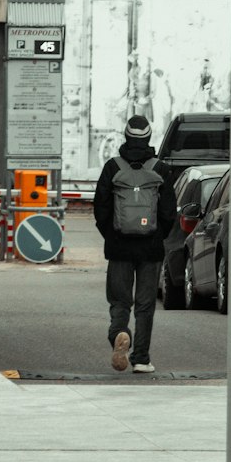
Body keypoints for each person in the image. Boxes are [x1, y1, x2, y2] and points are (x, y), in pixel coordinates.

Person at [93, 114, 176, 374]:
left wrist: (112, 235)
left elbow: (101, 208)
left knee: (120, 301)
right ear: (149, 137)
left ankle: (119, 333)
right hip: (150, 248)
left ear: (126, 136)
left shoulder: (112, 167)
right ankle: (141, 358)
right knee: (145, 305)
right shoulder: (159, 168)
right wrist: (156, 235)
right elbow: (169, 212)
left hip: (119, 246)